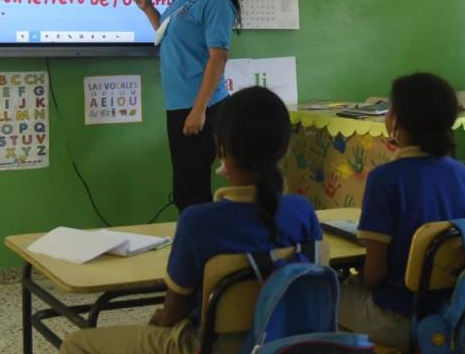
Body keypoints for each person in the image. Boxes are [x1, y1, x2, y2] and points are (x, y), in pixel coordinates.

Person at [60, 86, 322, 354]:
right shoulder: (303, 212)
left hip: (210, 348)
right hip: (287, 345)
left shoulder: (198, 222)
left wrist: (159, 320)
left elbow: (174, 312)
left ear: (220, 148)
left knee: (76, 344)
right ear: (286, 148)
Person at [337, 73, 465, 351]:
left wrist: (359, 281)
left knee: (326, 293)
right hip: (454, 311)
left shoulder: (385, 179)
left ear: (396, 120)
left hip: (399, 319)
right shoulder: (463, 174)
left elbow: (374, 274)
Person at [132, 0, 241, 212]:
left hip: (200, 106)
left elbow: (218, 57)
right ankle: (196, 247)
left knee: (191, 189)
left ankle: (201, 251)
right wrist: (148, 8)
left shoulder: (214, 1)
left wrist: (199, 109)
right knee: (185, 187)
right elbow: (165, 34)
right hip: (180, 104)